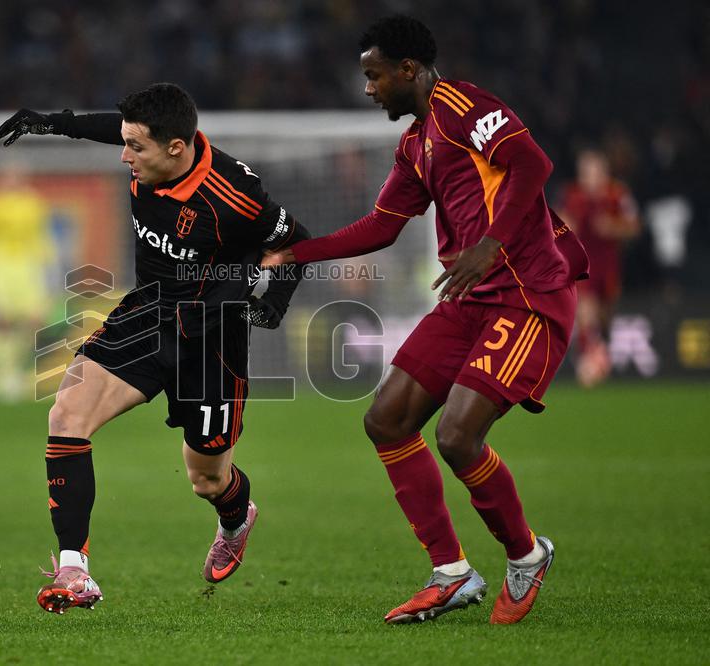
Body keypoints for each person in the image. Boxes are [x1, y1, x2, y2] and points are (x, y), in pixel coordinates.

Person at [264, 16, 588, 625]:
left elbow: (533, 166)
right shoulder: (416, 144)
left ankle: (526, 555)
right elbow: (381, 227)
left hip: (524, 295)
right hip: (467, 298)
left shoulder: (464, 106)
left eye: (374, 75)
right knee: (386, 420)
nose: (368, 88)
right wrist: (295, 253)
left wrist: (491, 244)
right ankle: (452, 572)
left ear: (407, 69)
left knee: (458, 437)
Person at [0, 83, 310, 613]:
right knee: (67, 412)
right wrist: (52, 121)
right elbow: (110, 131)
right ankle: (74, 570)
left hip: (213, 336)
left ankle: (236, 518)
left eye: (135, 147)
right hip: (147, 315)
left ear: (176, 149)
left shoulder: (234, 194)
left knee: (207, 478)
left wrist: (273, 303)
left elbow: (293, 240)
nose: (124, 156)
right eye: (125, 143)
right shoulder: (149, 155)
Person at [0, 162, 58, 400]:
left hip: (28, 266)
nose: (12, 181)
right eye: (7, 176)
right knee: (3, 322)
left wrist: (51, 267)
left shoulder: (34, 203)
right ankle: (3, 375)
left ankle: (14, 368)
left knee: (34, 319)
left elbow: (42, 236)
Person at [557, 148, 640, 387]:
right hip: (582, 266)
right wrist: (565, 226)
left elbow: (634, 226)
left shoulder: (618, 194)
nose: (591, 177)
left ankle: (598, 354)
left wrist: (612, 227)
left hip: (609, 268)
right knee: (586, 311)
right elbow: (555, 223)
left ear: (604, 172)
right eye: (586, 172)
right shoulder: (572, 195)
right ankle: (588, 363)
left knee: (603, 318)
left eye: (595, 171)